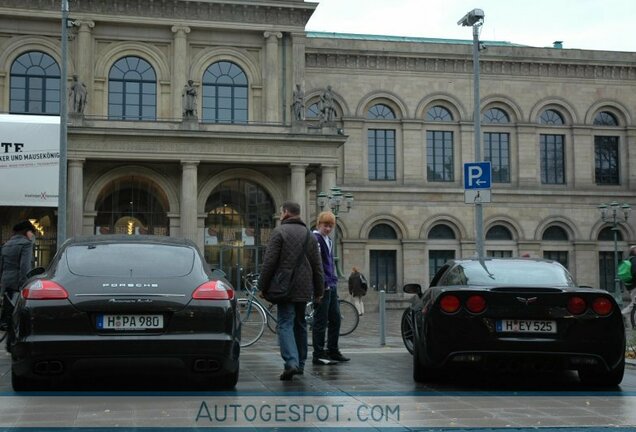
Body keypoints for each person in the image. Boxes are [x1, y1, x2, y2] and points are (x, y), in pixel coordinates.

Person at [258, 201, 324, 380]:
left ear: (286, 213)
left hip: (284, 286)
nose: (280, 215)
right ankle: (301, 364)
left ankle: (291, 362)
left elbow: (269, 263)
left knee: (285, 323)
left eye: (281, 212)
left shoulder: (279, 232)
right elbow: (318, 266)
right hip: (304, 286)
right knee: (300, 323)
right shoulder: (309, 235)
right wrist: (319, 291)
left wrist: (262, 287)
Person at [312, 211, 350, 365]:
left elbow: (329, 263)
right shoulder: (315, 239)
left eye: (330, 226)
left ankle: (333, 350)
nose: (327, 229)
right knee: (321, 321)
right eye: (325, 225)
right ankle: (318, 354)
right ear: (318, 224)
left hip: (331, 284)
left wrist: (333, 280)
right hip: (322, 286)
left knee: (335, 319)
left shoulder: (328, 240)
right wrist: (321, 286)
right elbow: (317, 265)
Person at [0, 220, 36, 342]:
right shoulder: (26, 244)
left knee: (9, 312)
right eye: (32, 232)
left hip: (6, 283)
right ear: (26, 231)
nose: (32, 235)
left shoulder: (7, 244)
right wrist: (24, 284)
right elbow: (25, 267)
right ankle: (14, 342)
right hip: (18, 283)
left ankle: (9, 341)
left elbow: (1, 266)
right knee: (19, 315)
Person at [620, 245, 636, 320]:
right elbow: (634, 272)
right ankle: (621, 314)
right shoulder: (634, 260)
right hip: (634, 285)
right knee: (633, 304)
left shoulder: (628, 260)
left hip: (630, 286)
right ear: (634, 251)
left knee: (634, 304)